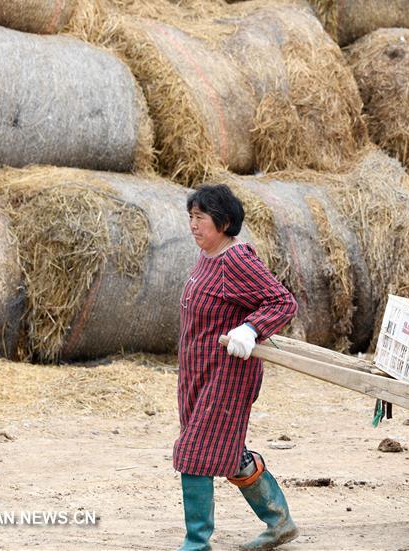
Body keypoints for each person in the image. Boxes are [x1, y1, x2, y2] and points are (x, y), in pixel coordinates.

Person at [175, 184, 299, 551]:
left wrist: (250, 329)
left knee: (194, 452)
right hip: (199, 373)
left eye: (201, 218)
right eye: (191, 218)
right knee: (225, 453)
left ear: (224, 222)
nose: (193, 225)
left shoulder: (237, 259)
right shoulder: (207, 257)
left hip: (227, 377)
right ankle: (280, 523)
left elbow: (282, 302)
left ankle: (196, 543)